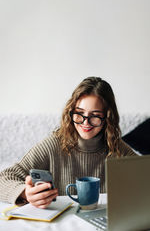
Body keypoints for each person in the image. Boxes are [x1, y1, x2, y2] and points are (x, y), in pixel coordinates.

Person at [0, 76, 136, 208]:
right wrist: (25, 193)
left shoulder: (118, 149)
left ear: (107, 117)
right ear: (70, 112)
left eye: (95, 116)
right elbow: (4, 178)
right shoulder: (53, 145)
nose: (85, 122)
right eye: (79, 113)